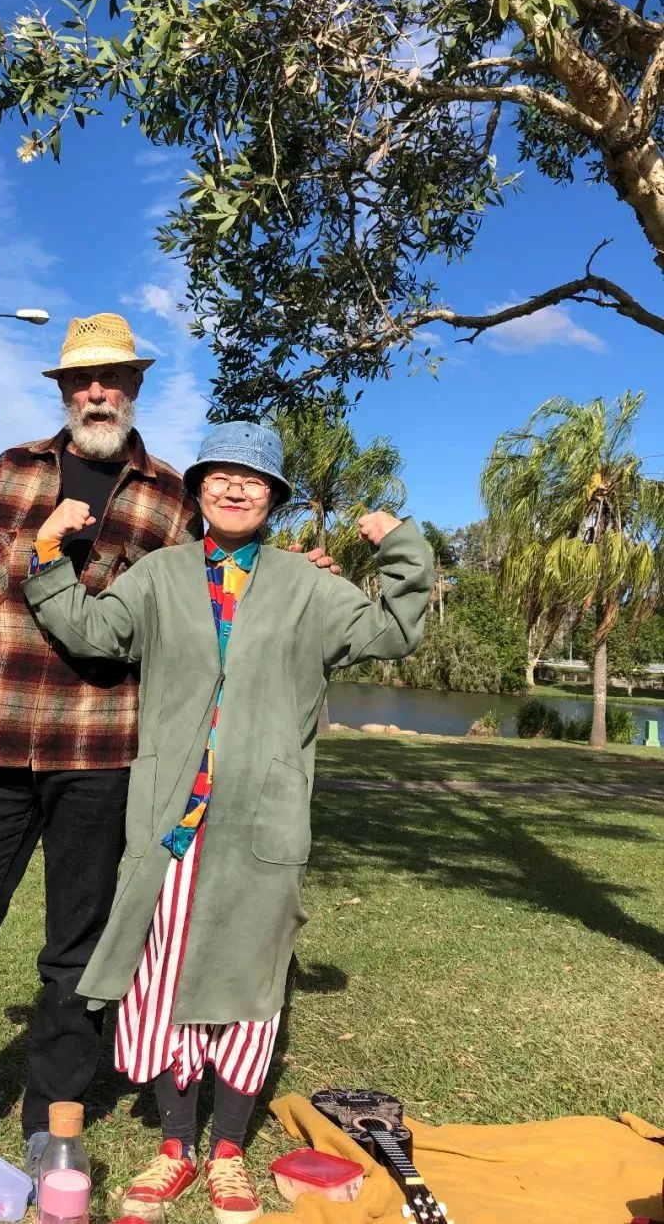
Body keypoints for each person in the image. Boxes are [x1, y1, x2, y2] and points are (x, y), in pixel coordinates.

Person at [0, 314, 338, 1173]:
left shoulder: (173, 496)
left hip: (105, 749)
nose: (97, 392)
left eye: (112, 377)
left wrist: (298, 577)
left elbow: (223, 583)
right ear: (65, 390)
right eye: (82, 379)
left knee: (78, 947)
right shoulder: (11, 471)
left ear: (135, 386)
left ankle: (53, 1109)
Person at [22, 421, 434, 1224]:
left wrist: (400, 548)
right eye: (221, 474)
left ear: (273, 497)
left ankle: (229, 1150)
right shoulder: (159, 575)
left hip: (261, 820)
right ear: (199, 489)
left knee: (250, 982)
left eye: (255, 478)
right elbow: (91, 630)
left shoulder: (307, 585)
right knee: (162, 976)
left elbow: (392, 629)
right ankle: (176, 1144)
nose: (237, 487)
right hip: (170, 821)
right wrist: (48, 552)